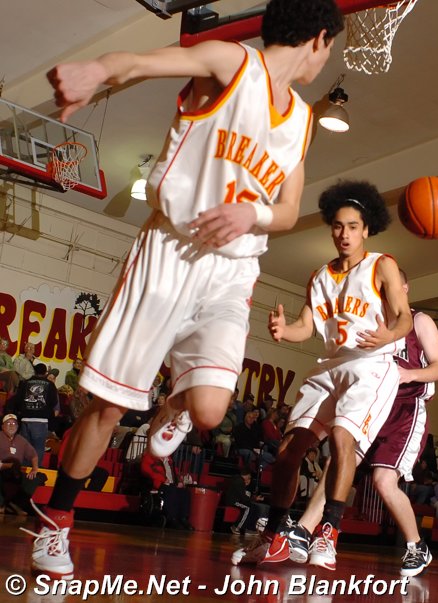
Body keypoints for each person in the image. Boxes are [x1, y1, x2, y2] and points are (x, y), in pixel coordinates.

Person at [28, 0, 344, 580]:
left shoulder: (300, 120)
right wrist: (97, 70)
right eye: (330, 49)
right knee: (109, 405)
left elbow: (288, 209)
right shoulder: (232, 63)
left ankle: (171, 405)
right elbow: (142, 62)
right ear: (319, 38)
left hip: (232, 269)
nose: (326, 60)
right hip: (171, 250)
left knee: (210, 409)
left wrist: (251, 215)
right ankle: (56, 520)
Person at [232, 179, 412, 570]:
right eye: (338, 226)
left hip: (371, 363)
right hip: (330, 364)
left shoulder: (382, 265)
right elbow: (306, 326)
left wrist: (389, 334)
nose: (344, 234)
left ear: (366, 230)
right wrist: (284, 331)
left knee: (343, 436)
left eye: (352, 227)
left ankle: (328, 532)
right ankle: (274, 534)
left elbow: (404, 317)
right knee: (288, 451)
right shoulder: (319, 276)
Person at [284, 272, 438, 576]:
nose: (385, 290)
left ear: (404, 287)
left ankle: (417, 546)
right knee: (338, 460)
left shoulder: (419, 320)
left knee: (384, 481)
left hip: (404, 408)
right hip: (371, 399)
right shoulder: (370, 318)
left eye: (391, 285)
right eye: (380, 286)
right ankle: (304, 530)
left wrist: (409, 375)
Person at [11, 363, 59, 465]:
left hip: (25, 419)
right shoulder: (50, 385)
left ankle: (24, 471)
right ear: (45, 373)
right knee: (38, 449)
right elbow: (54, 402)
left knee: (25, 449)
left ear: (34, 371)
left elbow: (17, 400)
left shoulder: (25, 383)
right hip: (41, 421)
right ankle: (35, 472)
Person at [0, 414, 45, 515]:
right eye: (8, 423)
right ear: (3, 426)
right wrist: (8, 466)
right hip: (2, 470)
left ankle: (16, 504)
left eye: (14, 424)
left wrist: (34, 468)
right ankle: (1, 504)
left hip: (15, 472)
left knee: (38, 477)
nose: (12, 426)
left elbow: (33, 455)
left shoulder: (21, 440)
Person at [224, 468, 269, 535]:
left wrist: (254, 499)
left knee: (254, 507)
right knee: (248, 508)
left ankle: (250, 529)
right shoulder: (239, 481)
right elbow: (243, 497)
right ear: (247, 475)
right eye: (249, 477)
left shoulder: (239, 481)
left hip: (238, 500)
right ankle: (236, 527)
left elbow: (243, 497)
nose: (249, 479)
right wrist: (254, 499)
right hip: (233, 501)